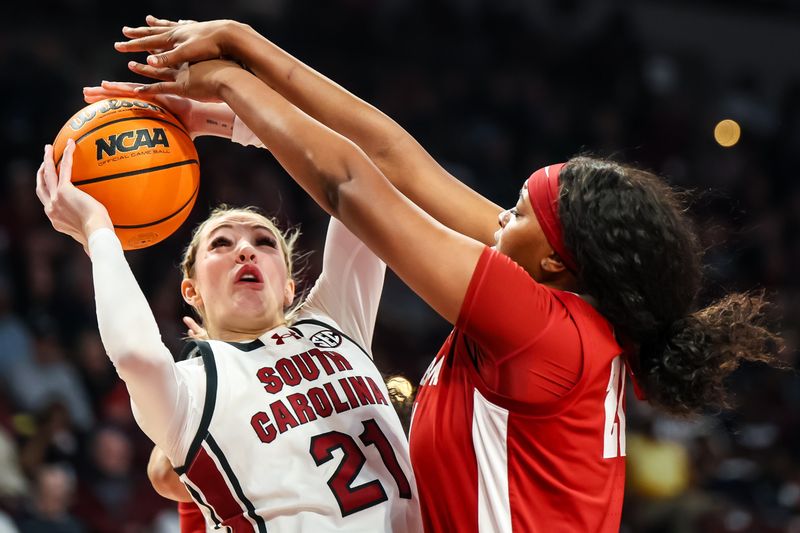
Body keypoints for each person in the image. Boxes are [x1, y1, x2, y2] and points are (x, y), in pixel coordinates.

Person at [95, 17, 782, 532]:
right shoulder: (560, 294)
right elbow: (395, 157)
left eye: (516, 211)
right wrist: (244, 59)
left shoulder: (541, 329)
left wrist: (229, 78)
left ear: (555, 261)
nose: (496, 219)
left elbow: (350, 185)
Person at [35, 117, 422, 529]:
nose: (245, 251)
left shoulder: (333, 323)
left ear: (290, 287)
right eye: (221, 243)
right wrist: (98, 232)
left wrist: (233, 123)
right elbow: (134, 355)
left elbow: (364, 169)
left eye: (264, 241)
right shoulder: (193, 383)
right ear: (192, 291)